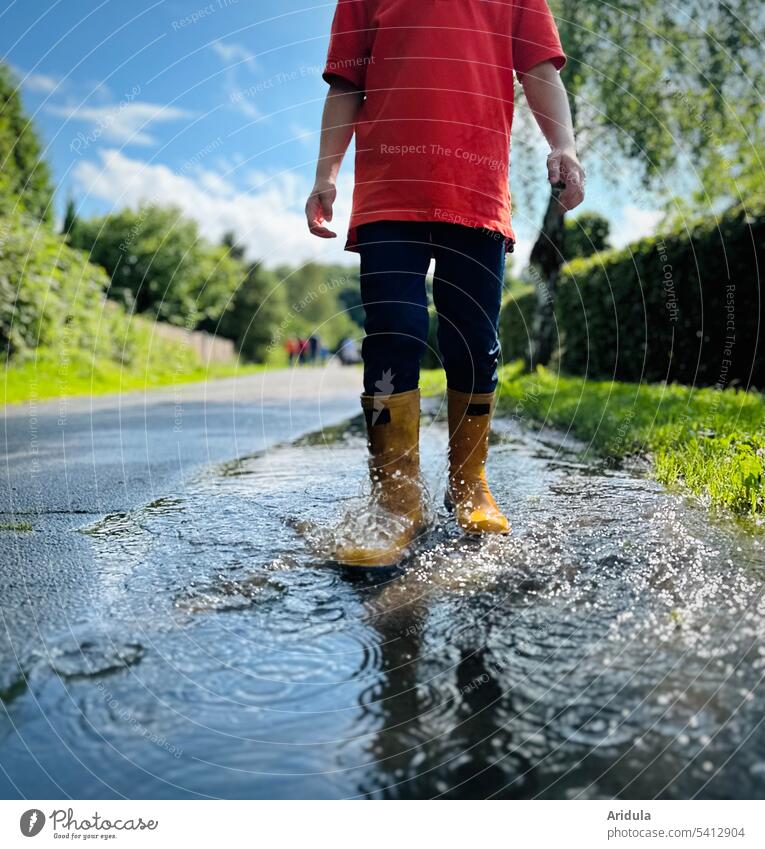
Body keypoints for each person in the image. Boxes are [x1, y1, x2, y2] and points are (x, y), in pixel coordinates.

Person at [306, 0, 584, 566]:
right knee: (393, 329)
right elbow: (345, 86)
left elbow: (539, 71)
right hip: (388, 196)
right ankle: (395, 500)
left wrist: (564, 146)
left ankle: (471, 485)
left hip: (476, 193)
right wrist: (325, 176)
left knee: (473, 339)